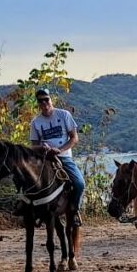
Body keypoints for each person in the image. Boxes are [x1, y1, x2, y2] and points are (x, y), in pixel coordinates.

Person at [29, 87, 86, 228]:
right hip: (45, 159)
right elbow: (33, 145)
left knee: (79, 184)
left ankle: (74, 210)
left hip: (64, 157)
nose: (44, 103)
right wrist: (43, 148)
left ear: (51, 99)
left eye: (46, 99)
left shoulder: (64, 115)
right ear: (37, 103)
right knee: (28, 182)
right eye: (40, 101)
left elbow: (74, 138)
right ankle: (34, 211)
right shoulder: (36, 122)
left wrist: (60, 150)